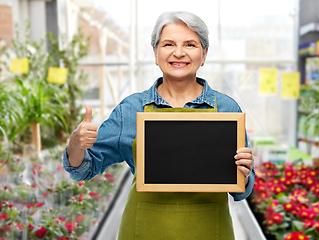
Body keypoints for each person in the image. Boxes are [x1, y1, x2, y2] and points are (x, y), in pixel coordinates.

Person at [63, 11, 255, 240]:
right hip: (143, 230)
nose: (179, 53)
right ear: (155, 53)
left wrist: (244, 171)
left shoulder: (226, 108)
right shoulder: (130, 109)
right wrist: (76, 143)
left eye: (190, 44)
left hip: (209, 231)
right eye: (168, 44)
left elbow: (242, 190)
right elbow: (83, 169)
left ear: (203, 55)